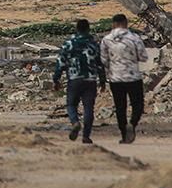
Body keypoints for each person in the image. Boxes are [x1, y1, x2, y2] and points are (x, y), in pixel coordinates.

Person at [53, 18, 105, 144]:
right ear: (88, 30)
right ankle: (86, 136)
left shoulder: (68, 45)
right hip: (90, 80)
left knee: (71, 104)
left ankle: (75, 122)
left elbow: (60, 63)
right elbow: (100, 65)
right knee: (88, 108)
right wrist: (102, 80)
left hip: (74, 79)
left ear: (76, 30)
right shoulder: (94, 45)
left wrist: (56, 79)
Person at [100, 13, 149, 144]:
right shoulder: (135, 38)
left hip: (115, 77)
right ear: (126, 23)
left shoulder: (106, 39)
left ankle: (124, 135)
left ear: (113, 25)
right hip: (133, 76)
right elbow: (144, 57)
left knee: (120, 107)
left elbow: (104, 60)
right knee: (137, 104)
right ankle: (132, 123)